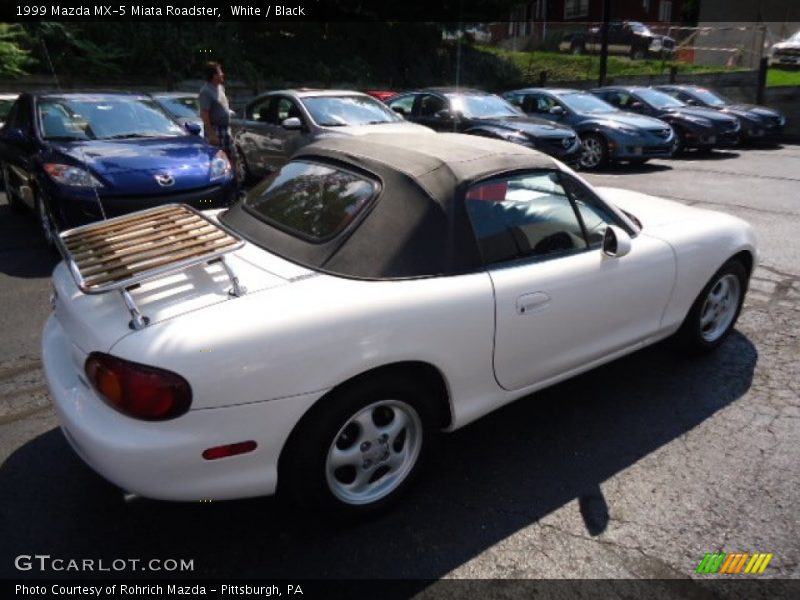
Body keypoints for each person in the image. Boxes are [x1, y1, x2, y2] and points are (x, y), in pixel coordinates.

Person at [198, 61, 236, 169]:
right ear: (214, 75)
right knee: (218, 160)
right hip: (216, 130)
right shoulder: (205, 91)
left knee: (232, 155)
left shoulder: (220, 88)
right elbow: (204, 113)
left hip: (226, 129)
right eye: (220, 72)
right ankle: (220, 182)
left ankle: (233, 180)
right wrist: (211, 134)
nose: (222, 74)